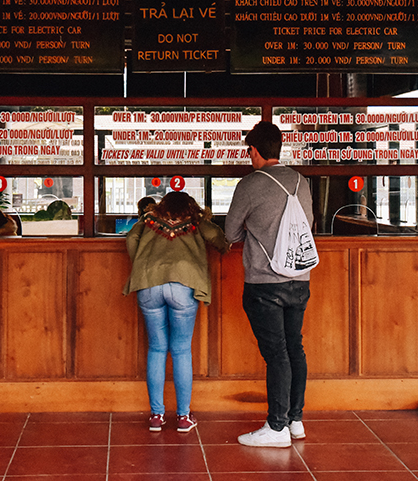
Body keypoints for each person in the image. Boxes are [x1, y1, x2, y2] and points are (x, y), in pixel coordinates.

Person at [225, 121, 313, 448]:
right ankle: (295, 420)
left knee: (276, 354)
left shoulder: (250, 184)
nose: (249, 156)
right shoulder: (301, 181)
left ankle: (276, 428)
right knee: (294, 347)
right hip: (299, 279)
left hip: (265, 282)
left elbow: (230, 233)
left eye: (249, 150)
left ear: (256, 150)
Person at [124, 191, 229, 433]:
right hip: (183, 286)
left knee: (157, 348)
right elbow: (216, 236)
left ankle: (156, 416)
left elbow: (131, 239)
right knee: (181, 349)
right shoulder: (196, 222)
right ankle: (183, 417)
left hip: (149, 284)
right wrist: (225, 247)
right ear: (190, 206)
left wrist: (140, 264)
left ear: (163, 205)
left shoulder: (149, 220)